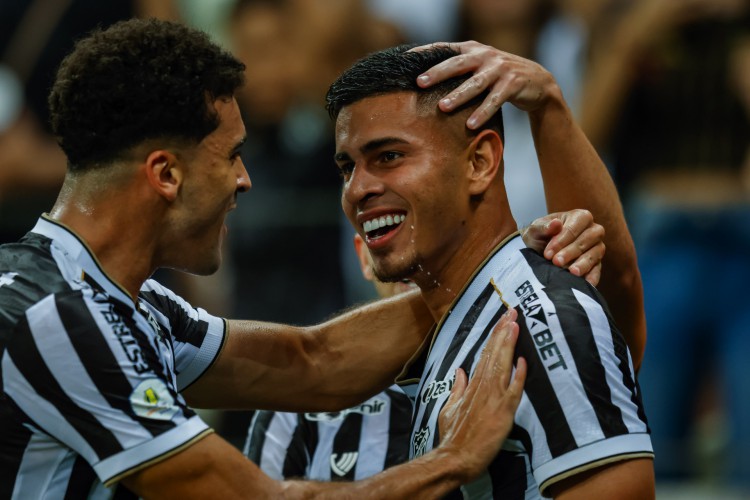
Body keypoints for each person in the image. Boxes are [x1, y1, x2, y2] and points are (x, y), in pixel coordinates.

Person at [0, 18, 608, 498]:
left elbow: (312, 361)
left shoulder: (126, 304)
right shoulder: (56, 318)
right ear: (165, 174)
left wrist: (507, 263)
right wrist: (452, 461)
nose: (245, 180)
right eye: (231, 155)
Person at [326, 44, 654, 498]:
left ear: (479, 162)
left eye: (389, 156)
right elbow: (307, 355)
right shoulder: (456, 319)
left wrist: (549, 108)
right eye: (347, 167)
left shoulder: (538, 318)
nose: (357, 189)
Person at [244, 234, 414, 480]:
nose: (411, 250)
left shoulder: (488, 370)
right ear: (363, 256)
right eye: (386, 230)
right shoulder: (297, 399)